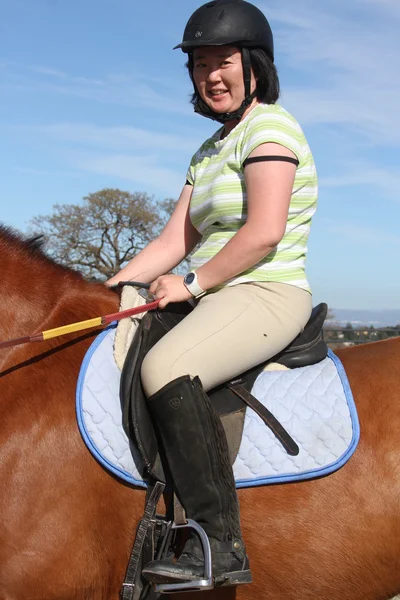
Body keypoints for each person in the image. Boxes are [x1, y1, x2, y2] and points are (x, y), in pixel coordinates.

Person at [106, 0, 318, 588]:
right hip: (212, 294)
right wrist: (117, 285)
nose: (210, 75)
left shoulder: (272, 127)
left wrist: (195, 282)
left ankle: (217, 542)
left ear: (254, 65)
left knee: (166, 365)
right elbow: (174, 237)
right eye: (199, 65)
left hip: (266, 291)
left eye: (222, 60)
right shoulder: (207, 152)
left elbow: (264, 231)